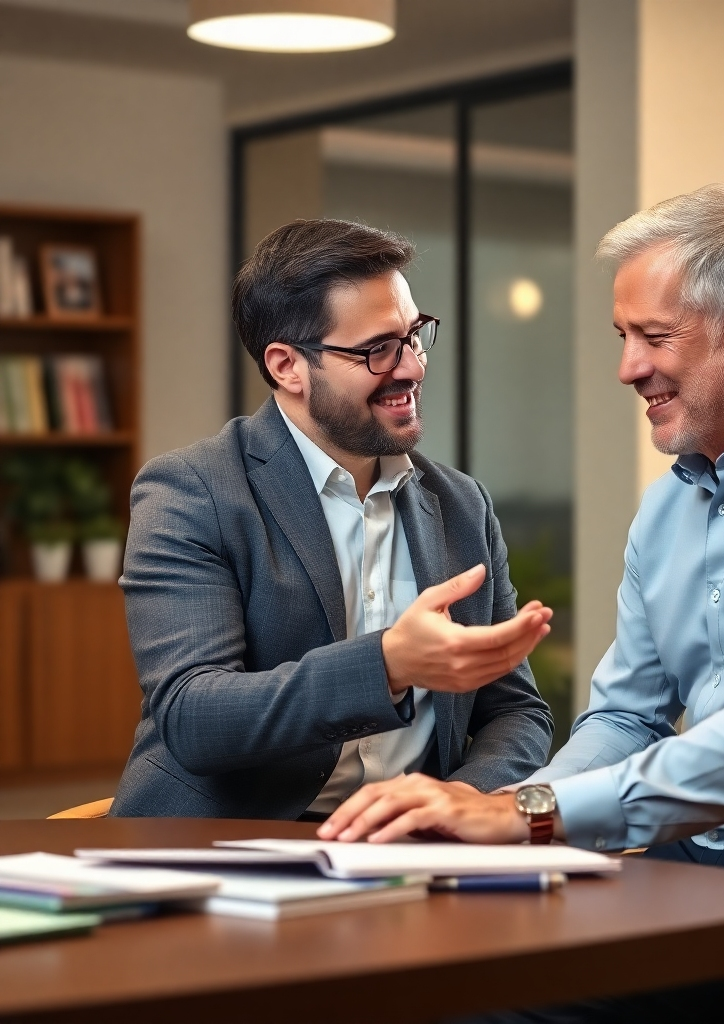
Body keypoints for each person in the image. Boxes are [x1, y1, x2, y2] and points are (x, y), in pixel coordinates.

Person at [314, 184, 724, 1023]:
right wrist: (511, 824)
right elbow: (627, 716)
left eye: (653, 337)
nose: (628, 367)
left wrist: (532, 815)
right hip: (699, 866)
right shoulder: (670, 503)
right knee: (416, 957)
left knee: (484, 1003)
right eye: (623, 337)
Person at [111, 219, 554, 820]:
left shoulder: (460, 504)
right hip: (225, 850)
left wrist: (460, 797)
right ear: (287, 366)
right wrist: (389, 663)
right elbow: (195, 716)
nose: (411, 368)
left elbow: (516, 711)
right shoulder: (193, 491)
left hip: (407, 850)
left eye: (413, 336)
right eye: (377, 350)